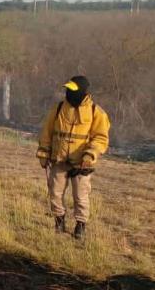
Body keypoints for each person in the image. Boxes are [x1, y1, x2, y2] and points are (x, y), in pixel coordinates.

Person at [36, 76, 110, 239]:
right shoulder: (58, 108)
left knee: (80, 196)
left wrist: (90, 154)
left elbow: (101, 138)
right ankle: (59, 222)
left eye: (73, 90)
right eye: (68, 90)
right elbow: (46, 132)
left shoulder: (95, 112)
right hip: (59, 160)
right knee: (54, 193)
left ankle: (80, 226)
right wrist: (43, 152)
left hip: (82, 164)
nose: (69, 93)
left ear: (83, 92)